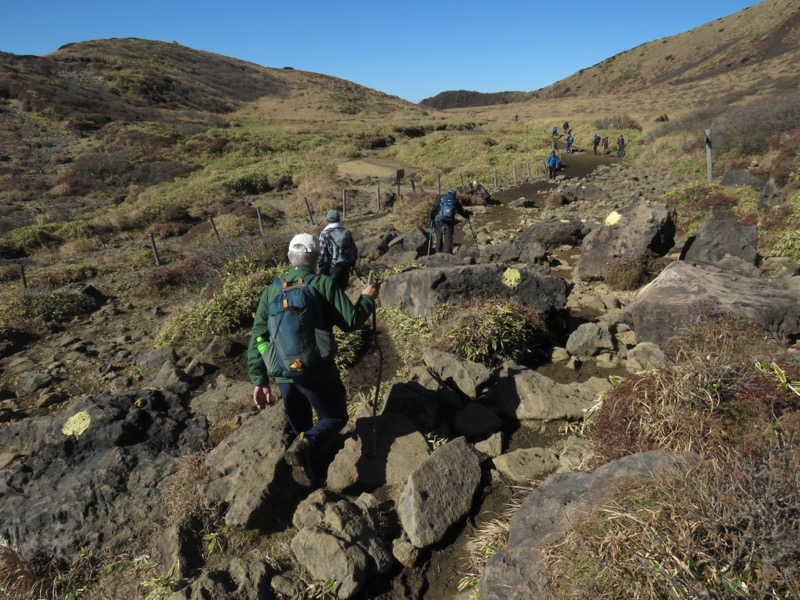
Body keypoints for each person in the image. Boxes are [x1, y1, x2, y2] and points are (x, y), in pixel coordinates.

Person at [248, 233, 378, 483]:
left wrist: (260, 380)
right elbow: (350, 321)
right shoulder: (324, 284)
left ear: (289, 258)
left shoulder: (270, 291)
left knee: (302, 428)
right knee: (335, 417)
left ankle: (308, 476)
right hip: (318, 372)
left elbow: (258, 336)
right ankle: (306, 452)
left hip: (284, 375)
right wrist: (366, 299)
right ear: (316, 258)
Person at [317, 209, 358, 290]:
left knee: (331, 293)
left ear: (327, 220)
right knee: (341, 292)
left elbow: (321, 254)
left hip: (332, 268)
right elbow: (354, 250)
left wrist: (319, 271)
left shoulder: (325, 233)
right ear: (339, 219)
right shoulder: (346, 232)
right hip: (345, 267)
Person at [429, 189, 470, 254]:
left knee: (438, 237)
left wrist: (431, 216)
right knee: (448, 239)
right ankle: (445, 254)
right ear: (454, 194)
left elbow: (434, 207)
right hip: (449, 221)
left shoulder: (442, 198)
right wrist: (467, 216)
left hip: (439, 220)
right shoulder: (455, 201)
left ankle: (437, 253)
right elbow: (461, 211)